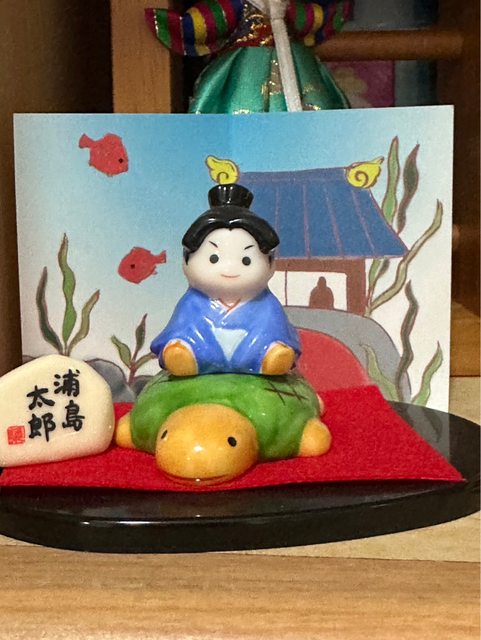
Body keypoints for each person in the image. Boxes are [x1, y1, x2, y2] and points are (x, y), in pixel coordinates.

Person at [150, 184, 300, 375]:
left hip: (251, 351)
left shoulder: (265, 304)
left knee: (272, 341)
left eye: (246, 260)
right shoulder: (192, 303)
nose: (230, 268)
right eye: (214, 258)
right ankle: (184, 357)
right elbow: (180, 327)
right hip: (204, 349)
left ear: (270, 265)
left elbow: (274, 327)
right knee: (182, 340)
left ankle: (270, 359)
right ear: (186, 260)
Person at [145, 0, 352, 113]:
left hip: (294, 61)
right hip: (245, 67)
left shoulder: (286, 6)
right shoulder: (238, 5)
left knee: (314, 102)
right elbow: (209, 21)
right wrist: (181, 25)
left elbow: (308, 19)